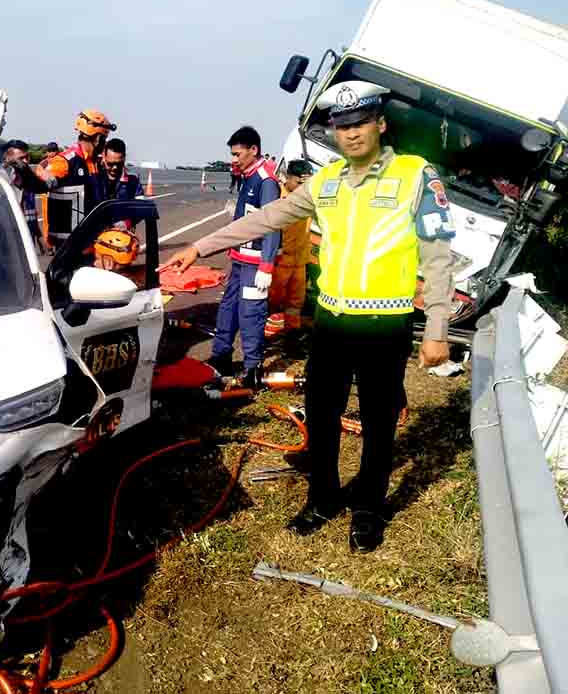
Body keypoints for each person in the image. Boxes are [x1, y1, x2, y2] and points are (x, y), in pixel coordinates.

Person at [159, 81, 456, 552]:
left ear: (380, 125)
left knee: (379, 422)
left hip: (386, 325)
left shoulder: (415, 175)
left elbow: (438, 258)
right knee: (321, 415)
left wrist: (437, 329)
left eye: (361, 123)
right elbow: (267, 218)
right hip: (332, 324)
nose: (352, 134)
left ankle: (367, 510)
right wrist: (200, 246)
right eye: (343, 126)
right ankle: (322, 498)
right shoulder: (327, 180)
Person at [203, 126, 281, 388]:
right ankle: (221, 357)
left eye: (237, 154)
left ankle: (252, 369)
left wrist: (266, 266)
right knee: (227, 310)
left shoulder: (266, 181)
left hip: (255, 264)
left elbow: (272, 224)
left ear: (253, 150)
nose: (234, 159)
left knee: (251, 315)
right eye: (232, 154)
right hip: (239, 260)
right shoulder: (248, 176)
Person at [43, 110, 115, 245]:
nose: (104, 143)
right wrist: (42, 173)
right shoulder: (65, 162)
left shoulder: (96, 164)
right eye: (104, 139)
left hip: (92, 240)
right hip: (70, 245)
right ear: (98, 139)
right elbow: (39, 182)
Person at [265, 159, 313, 336]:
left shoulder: (308, 198)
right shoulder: (276, 197)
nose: (302, 188)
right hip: (280, 260)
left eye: (306, 184)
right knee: (272, 299)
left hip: (299, 260)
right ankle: (262, 336)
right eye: (299, 183)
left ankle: (292, 333)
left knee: (296, 301)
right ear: (288, 177)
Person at [1, 139, 53, 254]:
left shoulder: (25, 173)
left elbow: (40, 187)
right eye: (21, 158)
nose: (25, 161)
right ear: (8, 158)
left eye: (27, 157)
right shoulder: (1, 176)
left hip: (25, 226)